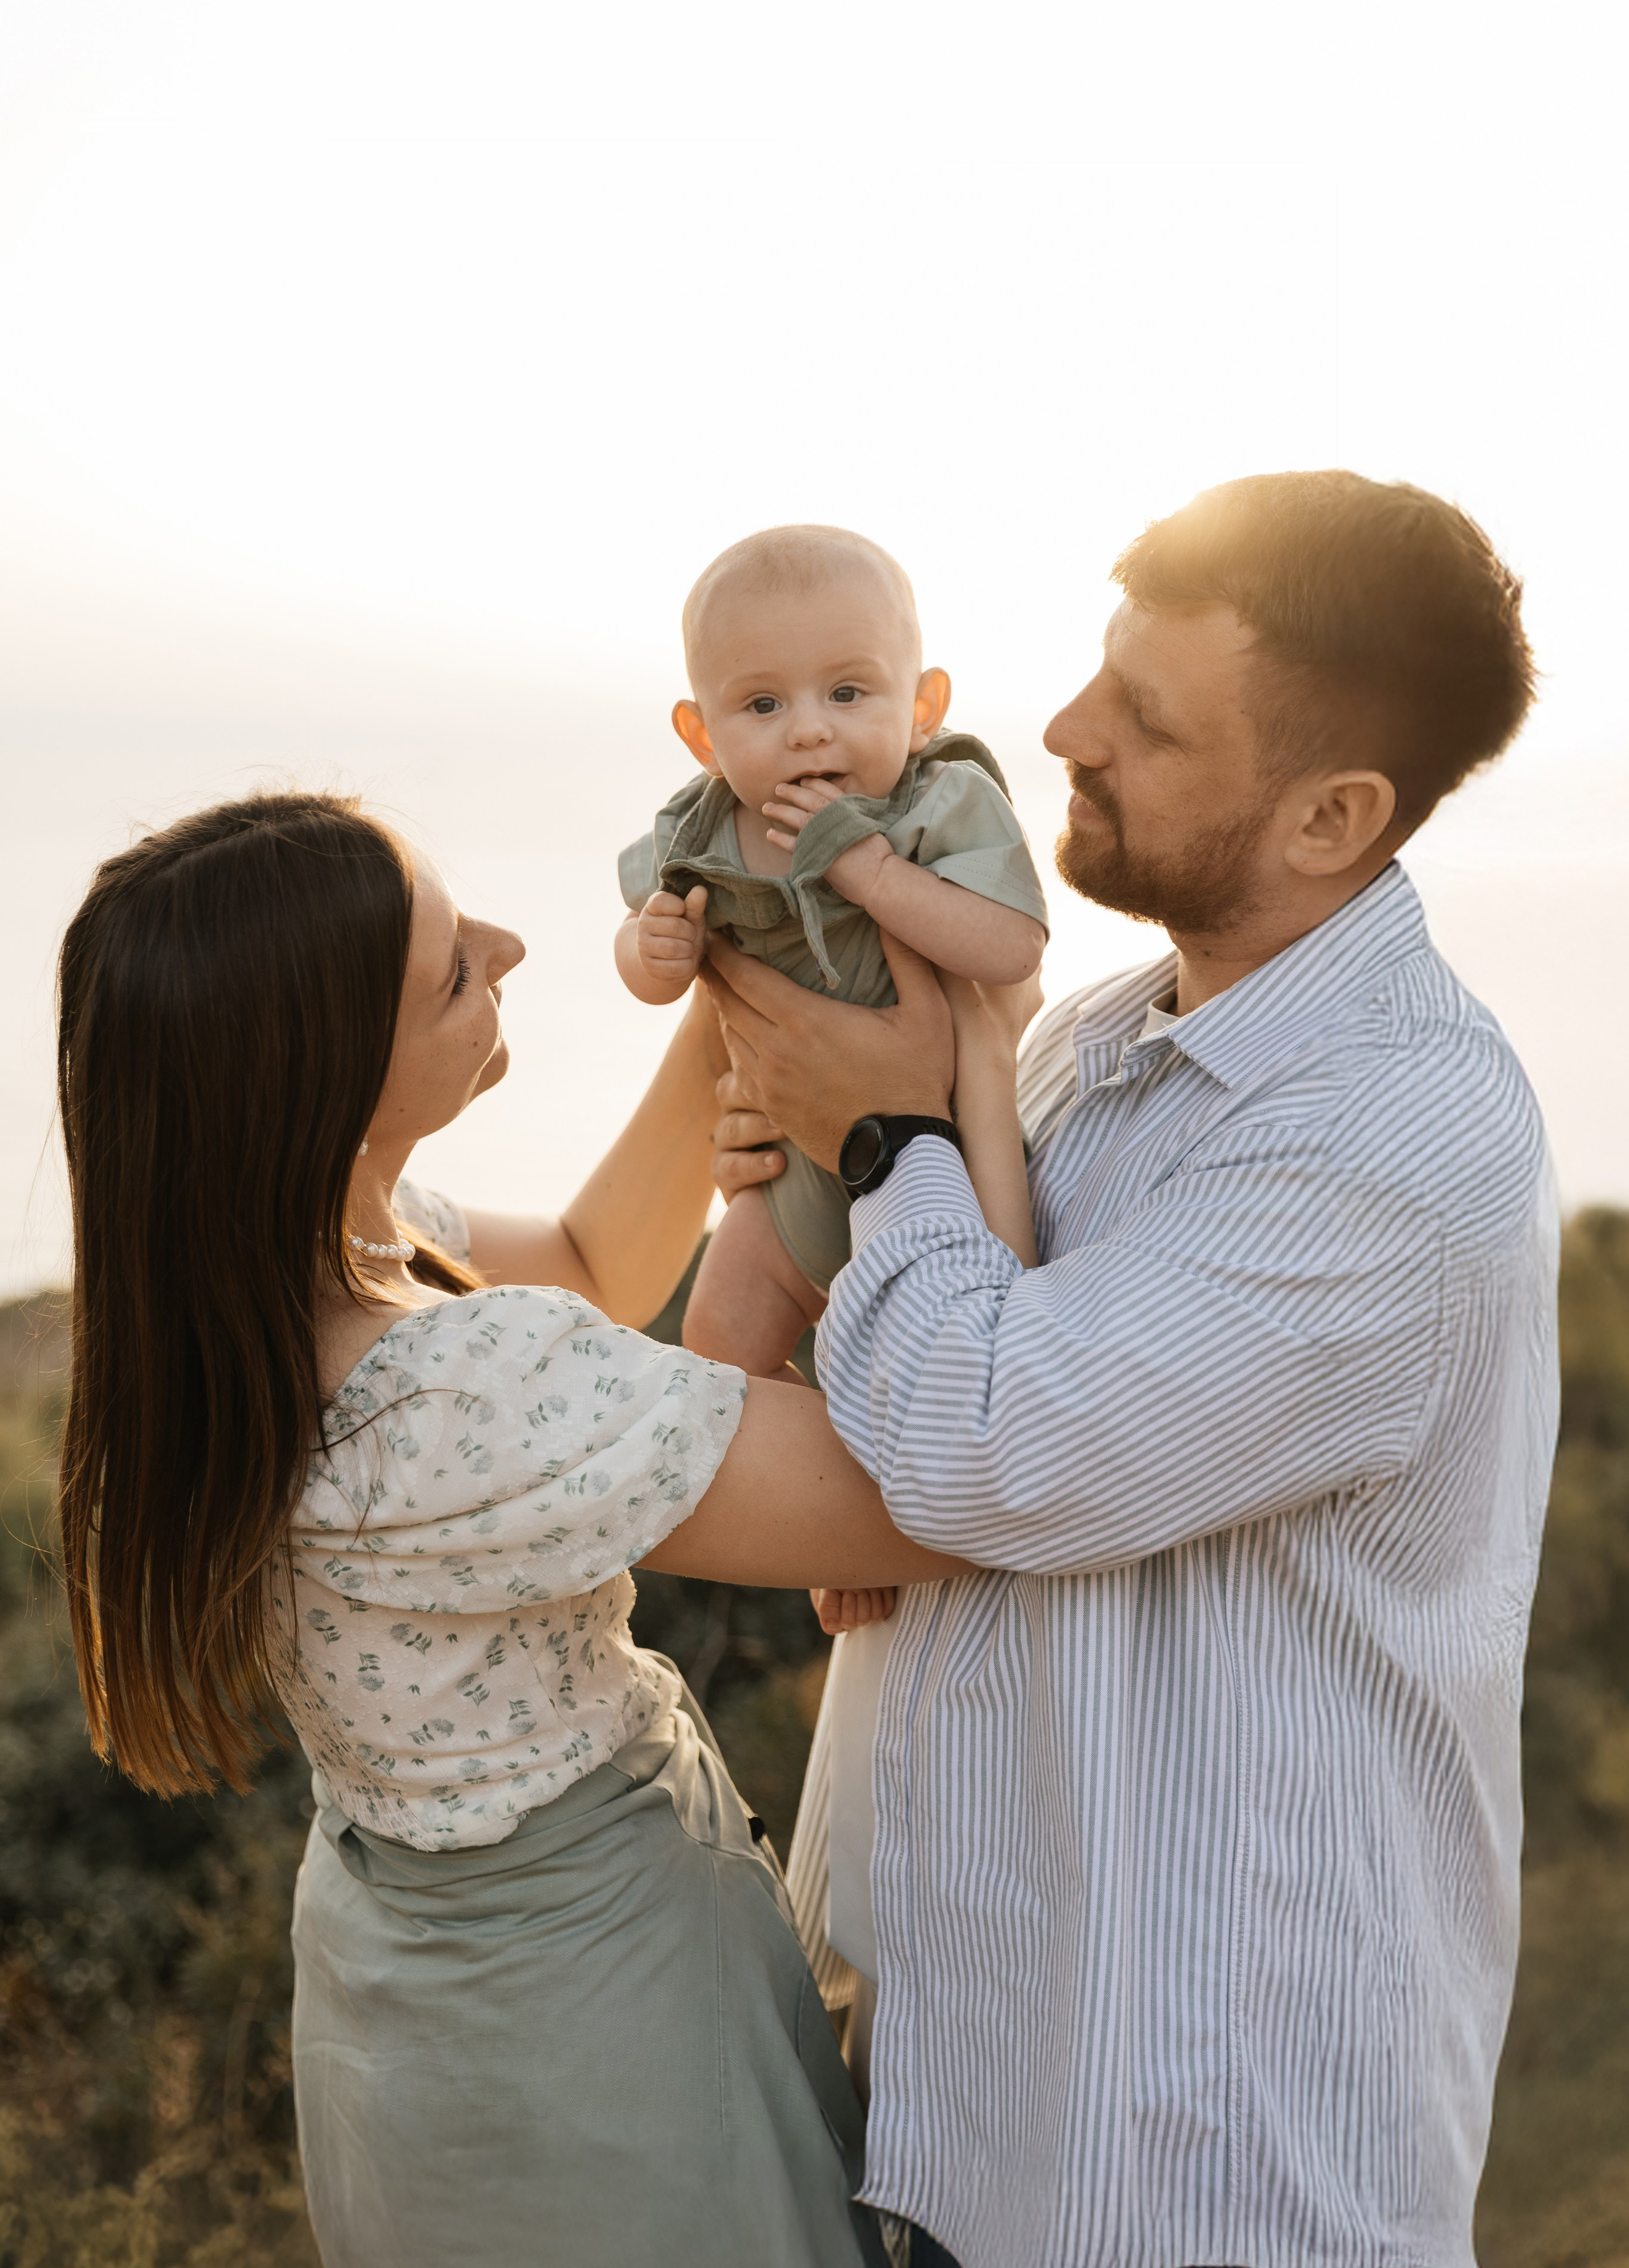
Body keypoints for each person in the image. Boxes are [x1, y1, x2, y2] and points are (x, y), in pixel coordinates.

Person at [703, 470, 1560, 2268]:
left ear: (1333, 817)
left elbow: (990, 1445)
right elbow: (913, 1397)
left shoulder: (1395, 1135)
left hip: (1197, 2168)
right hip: (958, 2113)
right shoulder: (1097, 1043)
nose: (1065, 731)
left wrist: (878, 1142)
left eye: (1145, 720)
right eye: (1099, 672)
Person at [52, 790, 978, 2268]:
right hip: (591, 2042)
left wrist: (741, 981)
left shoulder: (278, 1261)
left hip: (424, 2015)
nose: (513, 945)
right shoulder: (441, 1398)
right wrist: (892, 1124)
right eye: (450, 970)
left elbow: (602, 1260)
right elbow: (948, 1482)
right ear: (328, 1075)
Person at [616, 522, 1048, 1376]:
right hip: (789, 1167)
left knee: (995, 1341)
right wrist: (652, 952)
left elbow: (1013, 944)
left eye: (848, 693)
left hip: (953, 1149)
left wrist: (875, 873)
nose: (809, 731)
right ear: (704, 737)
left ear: (922, 709)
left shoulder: (940, 804)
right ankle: (803, 1473)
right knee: (714, 1352)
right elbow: (646, 944)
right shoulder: (700, 833)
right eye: (764, 706)